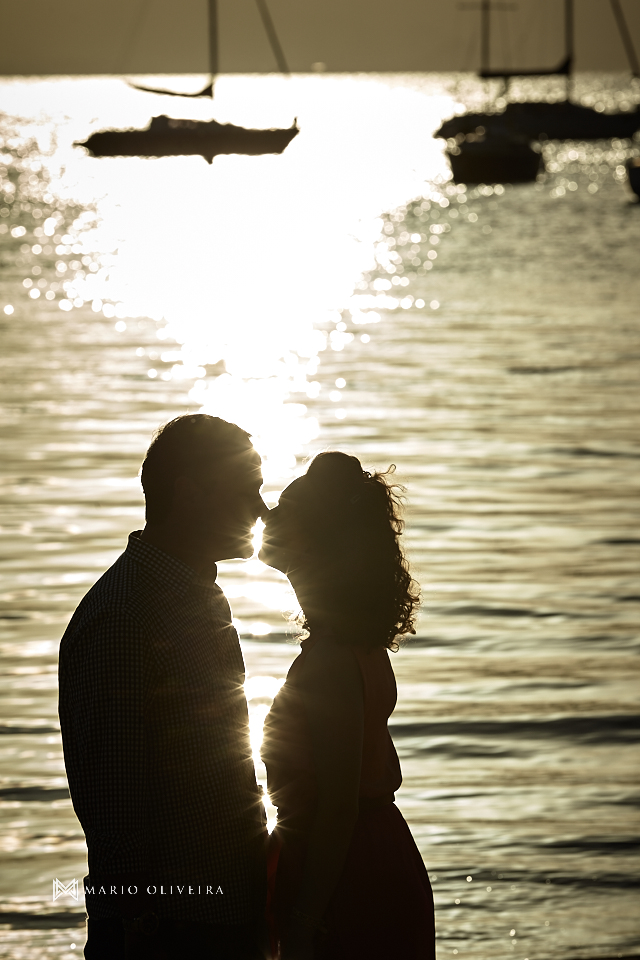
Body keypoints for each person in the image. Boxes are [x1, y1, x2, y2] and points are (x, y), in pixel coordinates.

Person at [58, 414, 269, 959]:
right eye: (247, 491)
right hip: (169, 927)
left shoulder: (193, 594)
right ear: (190, 494)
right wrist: (139, 925)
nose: (261, 510)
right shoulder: (125, 616)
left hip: (220, 913)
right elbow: (114, 795)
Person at [260, 451, 436, 960]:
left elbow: (338, 810)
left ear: (315, 539)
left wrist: (302, 921)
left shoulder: (333, 660)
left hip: (350, 877)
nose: (266, 513)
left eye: (283, 508)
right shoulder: (351, 642)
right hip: (369, 860)